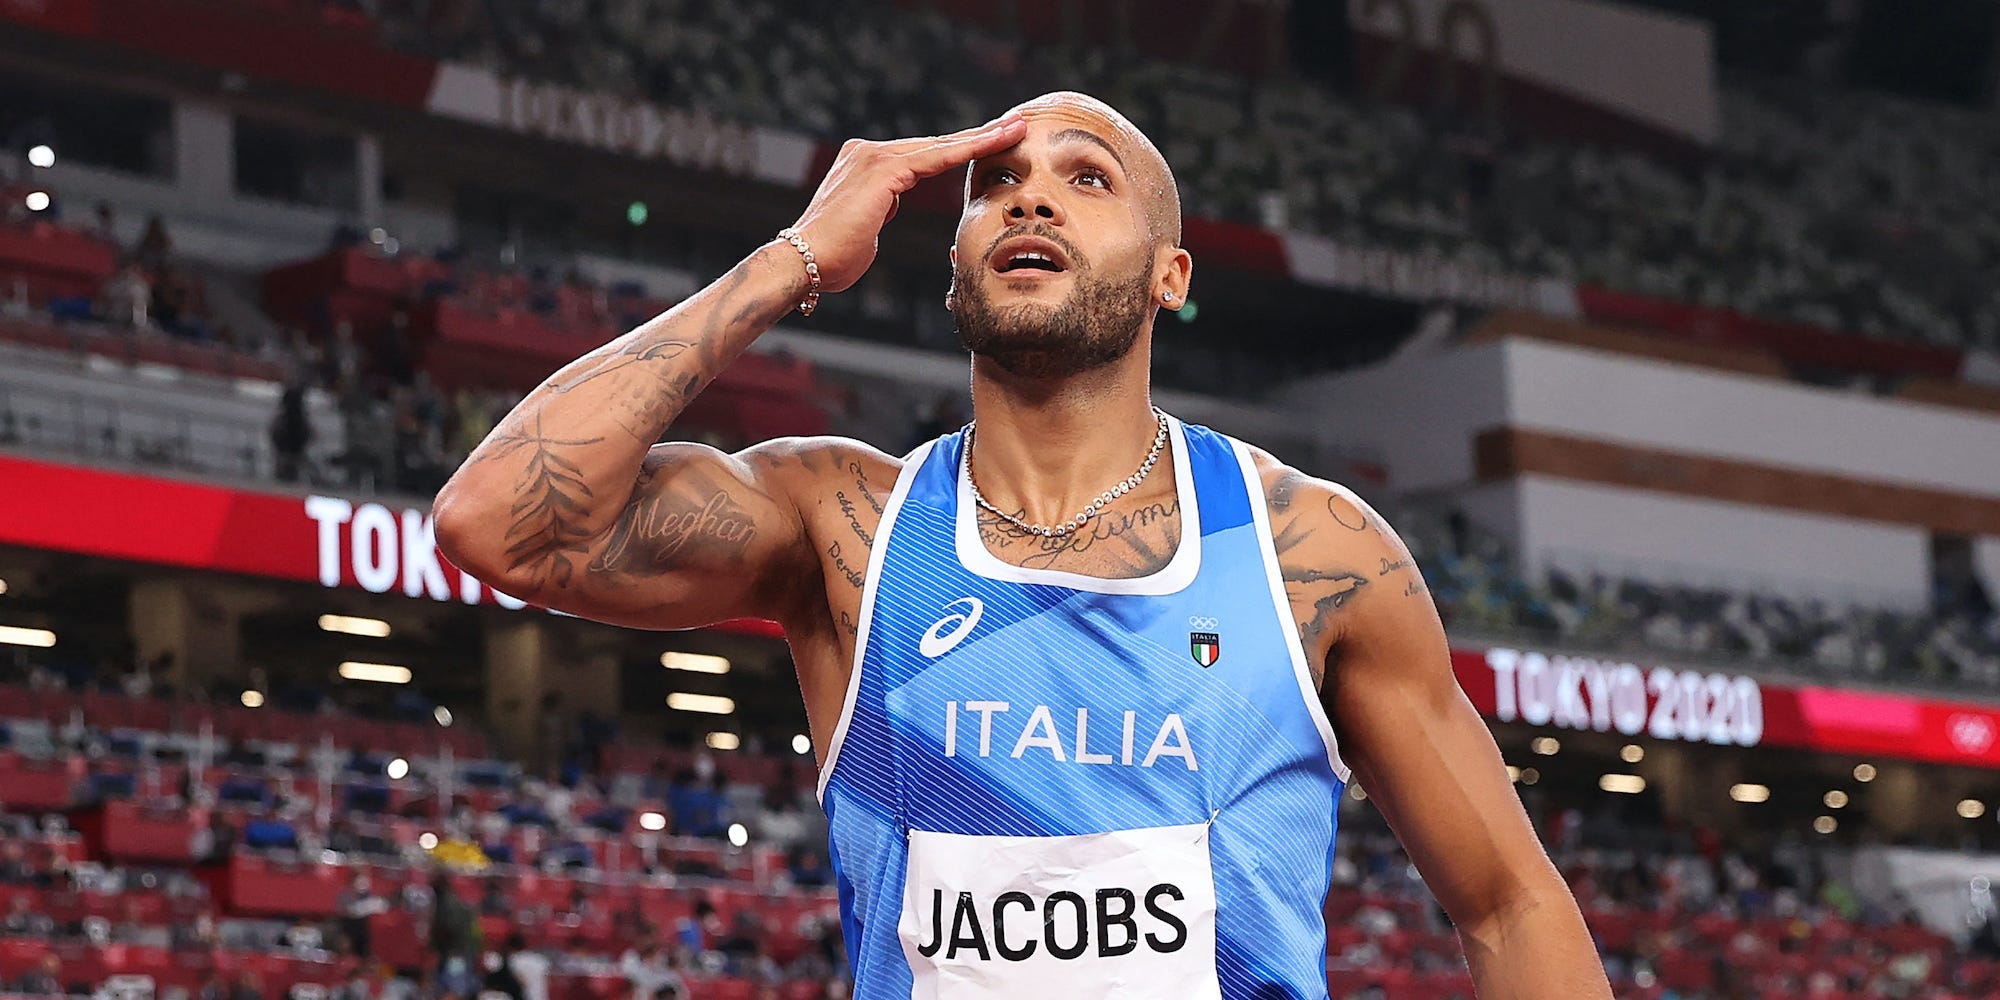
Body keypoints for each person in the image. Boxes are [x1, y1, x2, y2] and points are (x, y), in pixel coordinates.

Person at [436, 92, 1610, 997]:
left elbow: (1510, 905)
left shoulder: (1312, 550)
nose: (1028, 199)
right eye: (992, 184)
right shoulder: (842, 525)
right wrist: (789, 259)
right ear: (953, 256)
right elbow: (496, 524)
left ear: (1170, 275)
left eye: (1083, 178)